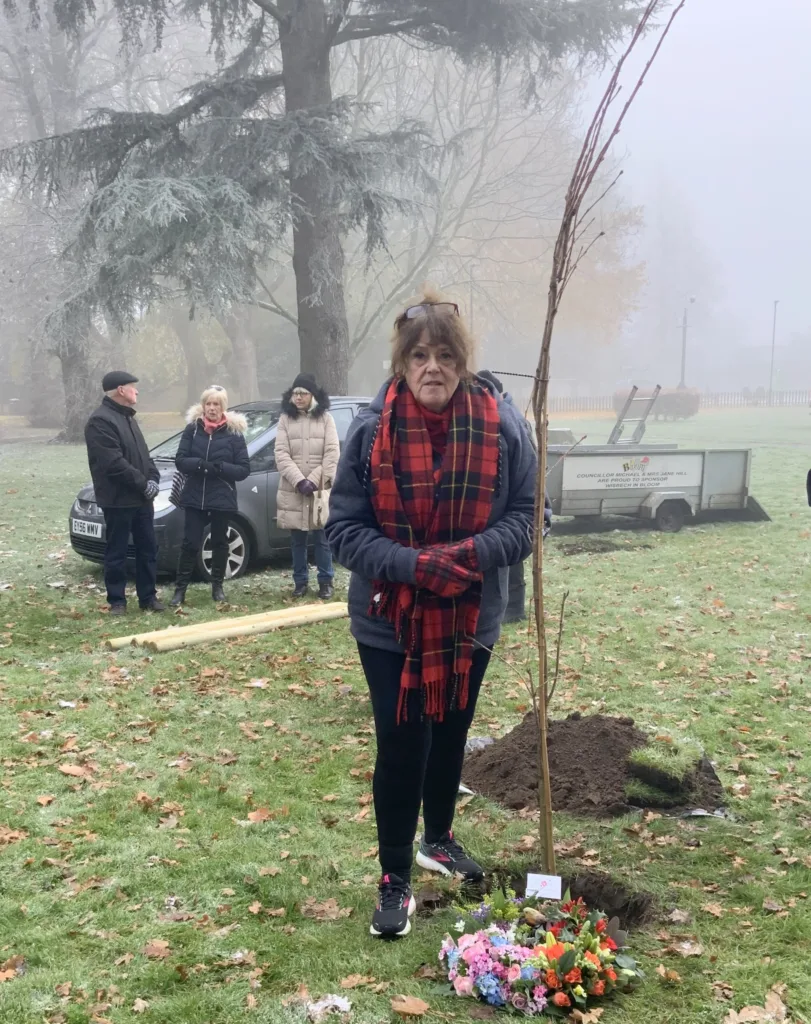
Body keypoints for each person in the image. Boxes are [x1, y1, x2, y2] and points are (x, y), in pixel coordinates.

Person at [326, 293, 537, 938]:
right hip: (390, 621)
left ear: (463, 361)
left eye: (446, 354)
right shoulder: (371, 430)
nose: (433, 367)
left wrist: (470, 556)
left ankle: (438, 837)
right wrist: (415, 567)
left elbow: (530, 517)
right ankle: (394, 877)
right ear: (402, 362)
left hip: (474, 614)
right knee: (402, 743)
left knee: (451, 730)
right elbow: (343, 531)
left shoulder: (503, 426)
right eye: (420, 355)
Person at [84, 371, 164, 616]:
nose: (136, 391)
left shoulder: (129, 418)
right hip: (118, 500)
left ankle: (148, 597)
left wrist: (153, 478)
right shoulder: (100, 421)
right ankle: (117, 601)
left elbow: (144, 456)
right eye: (133, 387)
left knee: (148, 549)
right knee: (117, 551)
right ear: (121, 390)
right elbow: (113, 464)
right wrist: (143, 484)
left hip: (141, 500)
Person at [477, 370, 552, 623]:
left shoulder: (512, 420)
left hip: (516, 496)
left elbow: (527, 461)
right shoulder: (506, 413)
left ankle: (514, 610)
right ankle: (511, 610)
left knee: (513, 561)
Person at [170, 386, 250, 606]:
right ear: (203, 406)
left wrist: (220, 468)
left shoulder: (234, 434)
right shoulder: (192, 430)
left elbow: (243, 469)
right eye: (208, 404)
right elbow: (180, 460)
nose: (212, 408)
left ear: (223, 407)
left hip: (221, 496)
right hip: (195, 495)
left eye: (216, 404)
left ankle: (217, 587)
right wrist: (200, 466)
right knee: (190, 543)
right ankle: (180, 591)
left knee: (219, 542)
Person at [275, 373, 339, 600]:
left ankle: (325, 581)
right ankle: (300, 582)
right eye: (295, 393)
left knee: (322, 538)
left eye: (302, 393)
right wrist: (299, 480)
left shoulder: (325, 419)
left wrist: (312, 480)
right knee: (297, 540)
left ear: (312, 395)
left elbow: (332, 453)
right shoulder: (285, 419)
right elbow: (281, 453)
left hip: (318, 489)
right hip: (293, 489)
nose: (298, 397)